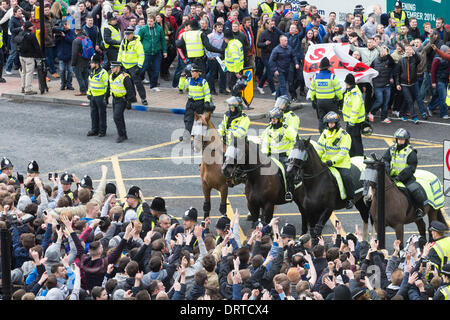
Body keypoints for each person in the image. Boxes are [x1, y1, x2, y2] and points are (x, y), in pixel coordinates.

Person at [382, 128, 426, 219]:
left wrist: (400, 177)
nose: (400, 141)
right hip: (391, 176)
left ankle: (419, 209)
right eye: (398, 139)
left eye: (402, 139)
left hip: (406, 178)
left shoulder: (411, 151)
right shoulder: (391, 149)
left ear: (406, 140)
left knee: (416, 191)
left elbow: (411, 167)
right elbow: (385, 159)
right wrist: (387, 170)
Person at [315, 112, 354, 209]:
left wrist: (332, 161)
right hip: (326, 162)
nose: (330, 125)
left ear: (336, 123)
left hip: (340, 164)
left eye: (332, 123)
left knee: (346, 178)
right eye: (329, 123)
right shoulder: (324, 133)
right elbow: (319, 149)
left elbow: (342, 153)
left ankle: (350, 199)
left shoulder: (344, 135)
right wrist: (317, 159)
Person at [260, 107, 296, 201]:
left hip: (284, 156)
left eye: (275, 119)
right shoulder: (268, 130)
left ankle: (289, 192)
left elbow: (295, 140)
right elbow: (265, 142)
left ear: (280, 119)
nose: (273, 120)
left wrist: (290, 153)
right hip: (272, 156)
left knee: (288, 172)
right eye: (271, 119)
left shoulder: (286, 129)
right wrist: (265, 153)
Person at [179, 63, 213, 141]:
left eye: (194, 72)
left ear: (198, 72)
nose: (192, 73)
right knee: (188, 119)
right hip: (190, 102)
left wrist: (207, 102)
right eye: (191, 72)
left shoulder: (203, 82)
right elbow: (181, 87)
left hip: (200, 103)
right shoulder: (188, 80)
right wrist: (182, 78)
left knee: (201, 121)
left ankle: (202, 136)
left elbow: (207, 93)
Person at [309, 57, 343, 132]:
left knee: (321, 120)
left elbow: (312, 90)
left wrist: (312, 100)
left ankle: (322, 136)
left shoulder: (315, 77)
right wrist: (341, 100)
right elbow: (338, 91)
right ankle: (334, 135)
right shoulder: (332, 77)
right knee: (334, 120)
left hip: (320, 102)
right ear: (328, 67)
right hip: (331, 103)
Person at [275, 95, 299, 201]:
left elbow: (292, 135)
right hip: (275, 149)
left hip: (287, 150)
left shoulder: (292, 117)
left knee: (288, 171)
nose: (280, 106)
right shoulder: (276, 114)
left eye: (282, 104)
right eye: (279, 103)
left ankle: (289, 191)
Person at [117, 26, 147, 105]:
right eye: (126, 34)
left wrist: (139, 67)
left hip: (133, 66)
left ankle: (143, 98)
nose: (127, 36)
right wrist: (118, 64)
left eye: (129, 34)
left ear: (132, 34)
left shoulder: (137, 43)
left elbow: (141, 55)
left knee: (138, 83)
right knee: (128, 84)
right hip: (124, 66)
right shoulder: (123, 41)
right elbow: (120, 53)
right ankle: (132, 98)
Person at [109, 61, 137, 143]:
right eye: (111, 67)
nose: (111, 69)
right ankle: (123, 134)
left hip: (122, 99)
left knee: (116, 117)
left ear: (118, 67)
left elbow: (130, 90)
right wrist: (106, 97)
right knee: (119, 117)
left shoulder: (125, 77)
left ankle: (121, 135)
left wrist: (129, 102)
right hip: (115, 99)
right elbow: (109, 87)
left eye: (113, 67)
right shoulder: (111, 76)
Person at [138, 14, 167, 92]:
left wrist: (164, 51)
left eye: (151, 21)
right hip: (146, 53)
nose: (149, 23)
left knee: (156, 70)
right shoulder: (143, 29)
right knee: (142, 69)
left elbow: (162, 40)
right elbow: (138, 41)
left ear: (154, 21)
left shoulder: (159, 29)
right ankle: (137, 82)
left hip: (157, 53)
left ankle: (153, 86)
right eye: (148, 21)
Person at [395, 43, 421, 124]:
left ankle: (401, 114)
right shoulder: (401, 60)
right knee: (409, 100)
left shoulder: (414, 59)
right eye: (406, 50)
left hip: (413, 84)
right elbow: (397, 73)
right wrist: (397, 84)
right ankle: (414, 117)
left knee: (408, 100)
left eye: (409, 49)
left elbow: (419, 59)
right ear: (405, 51)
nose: (408, 51)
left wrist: (414, 52)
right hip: (404, 84)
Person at [369, 45, 395, 123]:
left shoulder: (389, 61)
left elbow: (392, 62)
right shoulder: (375, 60)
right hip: (377, 85)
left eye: (384, 51)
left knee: (386, 103)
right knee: (380, 101)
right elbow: (370, 70)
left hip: (386, 85)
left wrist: (387, 53)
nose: (382, 52)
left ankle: (384, 117)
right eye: (381, 51)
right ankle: (372, 113)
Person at [269, 34, 299, 99]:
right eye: (285, 41)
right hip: (279, 70)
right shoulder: (276, 50)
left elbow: (293, 56)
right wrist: (275, 70)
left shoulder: (289, 48)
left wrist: (296, 63)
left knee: (280, 84)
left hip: (287, 69)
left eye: (287, 40)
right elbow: (271, 60)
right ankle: (286, 100)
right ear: (281, 41)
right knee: (283, 86)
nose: (286, 42)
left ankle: (277, 98)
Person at [342, 74, 365, 157]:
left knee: (355, 139)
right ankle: (352, 154)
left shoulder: (355, 94)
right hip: (351, 120)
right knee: (351, 138)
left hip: (354, 121)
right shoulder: (350, 91)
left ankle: (359, 155)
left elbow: (355, 110)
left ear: (348, 83)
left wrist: (351, 123)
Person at [87, 53, 109, 137]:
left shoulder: (103, 73)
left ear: (97, 63)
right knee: (93, 114)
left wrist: (105, 97)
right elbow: (90, 83)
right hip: (93, 96)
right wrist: (89, 93)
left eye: (92, 62)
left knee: (101, 114)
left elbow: (107, 86)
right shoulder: (92, 72)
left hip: (100, 97)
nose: (90, 64)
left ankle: (102, 131)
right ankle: (94, 130)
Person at [18, 21, 42, 95]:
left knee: (23, 72)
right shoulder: (31, 35)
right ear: (29, 27)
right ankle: (28, 89)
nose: (33, 26)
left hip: (21, 56)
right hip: (29, 57)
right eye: (32, 26)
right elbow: (37, 46)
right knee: (29, 73)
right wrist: (40, 55)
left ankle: (23, 87)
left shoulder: (21, 33)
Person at [428, 44, 449, 120]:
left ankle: (430, 107)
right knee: (443, 97)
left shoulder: (448, 58)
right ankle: (444, 114)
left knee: (437, 96)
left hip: (446, 80)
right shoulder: (437, 59)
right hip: (439, 80)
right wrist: (433, 82)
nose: (449, 52)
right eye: (447, 51)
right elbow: (432, 72)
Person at [55, 19, 76, 91]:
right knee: (62, 70)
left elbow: (73, 41)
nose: (66, 26)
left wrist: (65, 36)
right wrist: (56, 36)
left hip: (69, 54)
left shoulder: (71, 32)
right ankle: (63, 84)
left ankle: (69, 84)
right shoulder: (59, 32)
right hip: (61, 54)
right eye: (65, 24)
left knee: (70, 71)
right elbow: (55, 43)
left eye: (67, 24)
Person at [71, 27, 91, 96]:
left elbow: (74, 53)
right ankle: (86, 89)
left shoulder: (76, 40)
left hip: (79, 62)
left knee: (79, 77)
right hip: (86, 60)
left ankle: (82, 91)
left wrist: (73, 63)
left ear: (76, 31)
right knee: (85, 76)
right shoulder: (87, 38)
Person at [223, 28, 244, 93]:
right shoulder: (237, 42)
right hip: (239, 68)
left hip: (233, 70)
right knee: (237, 88)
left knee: (234, 89)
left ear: (226, 38)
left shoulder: (231, 46)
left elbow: (236, 59)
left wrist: (236, 72)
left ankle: (235, 102)